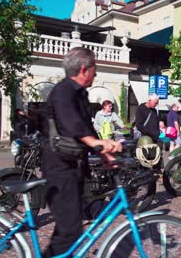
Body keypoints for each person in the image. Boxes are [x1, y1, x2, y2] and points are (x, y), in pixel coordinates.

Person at [41, 47, 122, 256]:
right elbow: (72, 124)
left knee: (71, 225)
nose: (96, 72)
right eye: (95, 67)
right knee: (70, 231)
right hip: (60, 169)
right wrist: (98, 143)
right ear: (85, 69)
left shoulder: (81, 94)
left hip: (75, 167)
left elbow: (87, 128)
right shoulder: (63, 91)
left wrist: (103, 154)